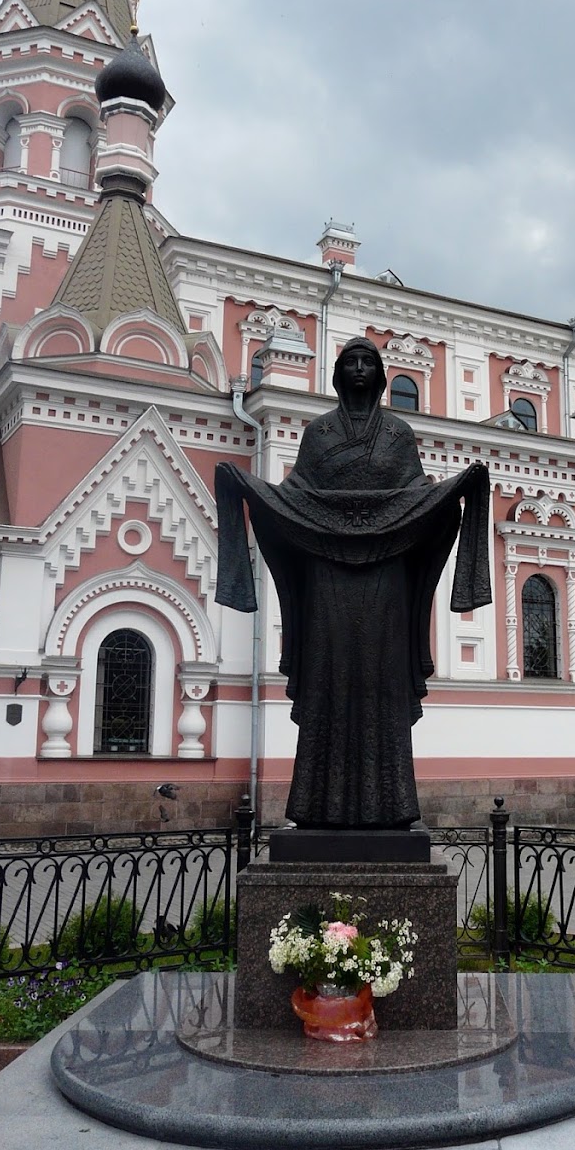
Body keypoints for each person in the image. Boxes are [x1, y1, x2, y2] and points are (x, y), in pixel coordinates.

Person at [215, 336, 491, 829]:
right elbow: (296, 497)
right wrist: (249, 488)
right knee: (326, 678)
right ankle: (315, 807)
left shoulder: (398, 435)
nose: (360, 368)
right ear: (339, 374)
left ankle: (394, 805)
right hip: (328, 576)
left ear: (381, 376)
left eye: (369, 362)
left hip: (387, 576)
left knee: (382, 681)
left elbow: (417, 498)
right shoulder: (319, 435)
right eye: (351, 362)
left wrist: (457, 489)